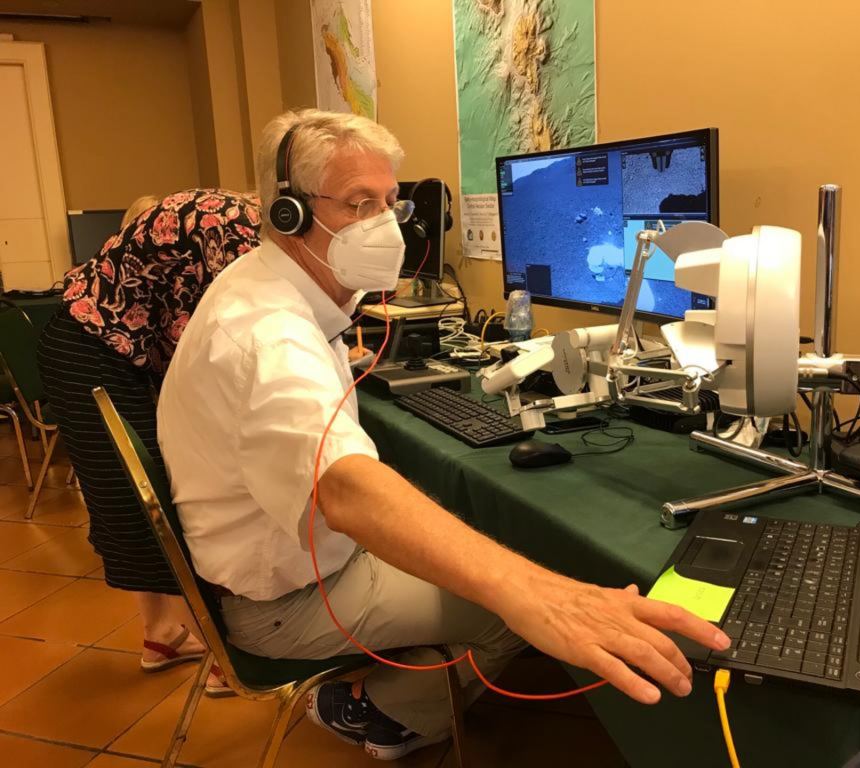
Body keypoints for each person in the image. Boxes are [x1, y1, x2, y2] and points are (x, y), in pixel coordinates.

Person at [157, 109, 729, 761]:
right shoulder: (268, 337)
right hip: (290, 602)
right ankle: (376, 712)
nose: (381, 224)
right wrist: (537, 595)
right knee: (508, 601)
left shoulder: (257, 284)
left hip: (270, 563)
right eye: (357, 203)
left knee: (477, 539)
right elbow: (343, 488)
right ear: (287, 213)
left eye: (390, 203)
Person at [36, 189, 261, 691]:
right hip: (95, 351)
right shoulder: (241, 233)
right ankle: (230, 660)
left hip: (99, 347)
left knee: (137, 497)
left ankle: (162, 633)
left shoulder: (240, 217)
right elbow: (213, 340)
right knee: (147, 500)